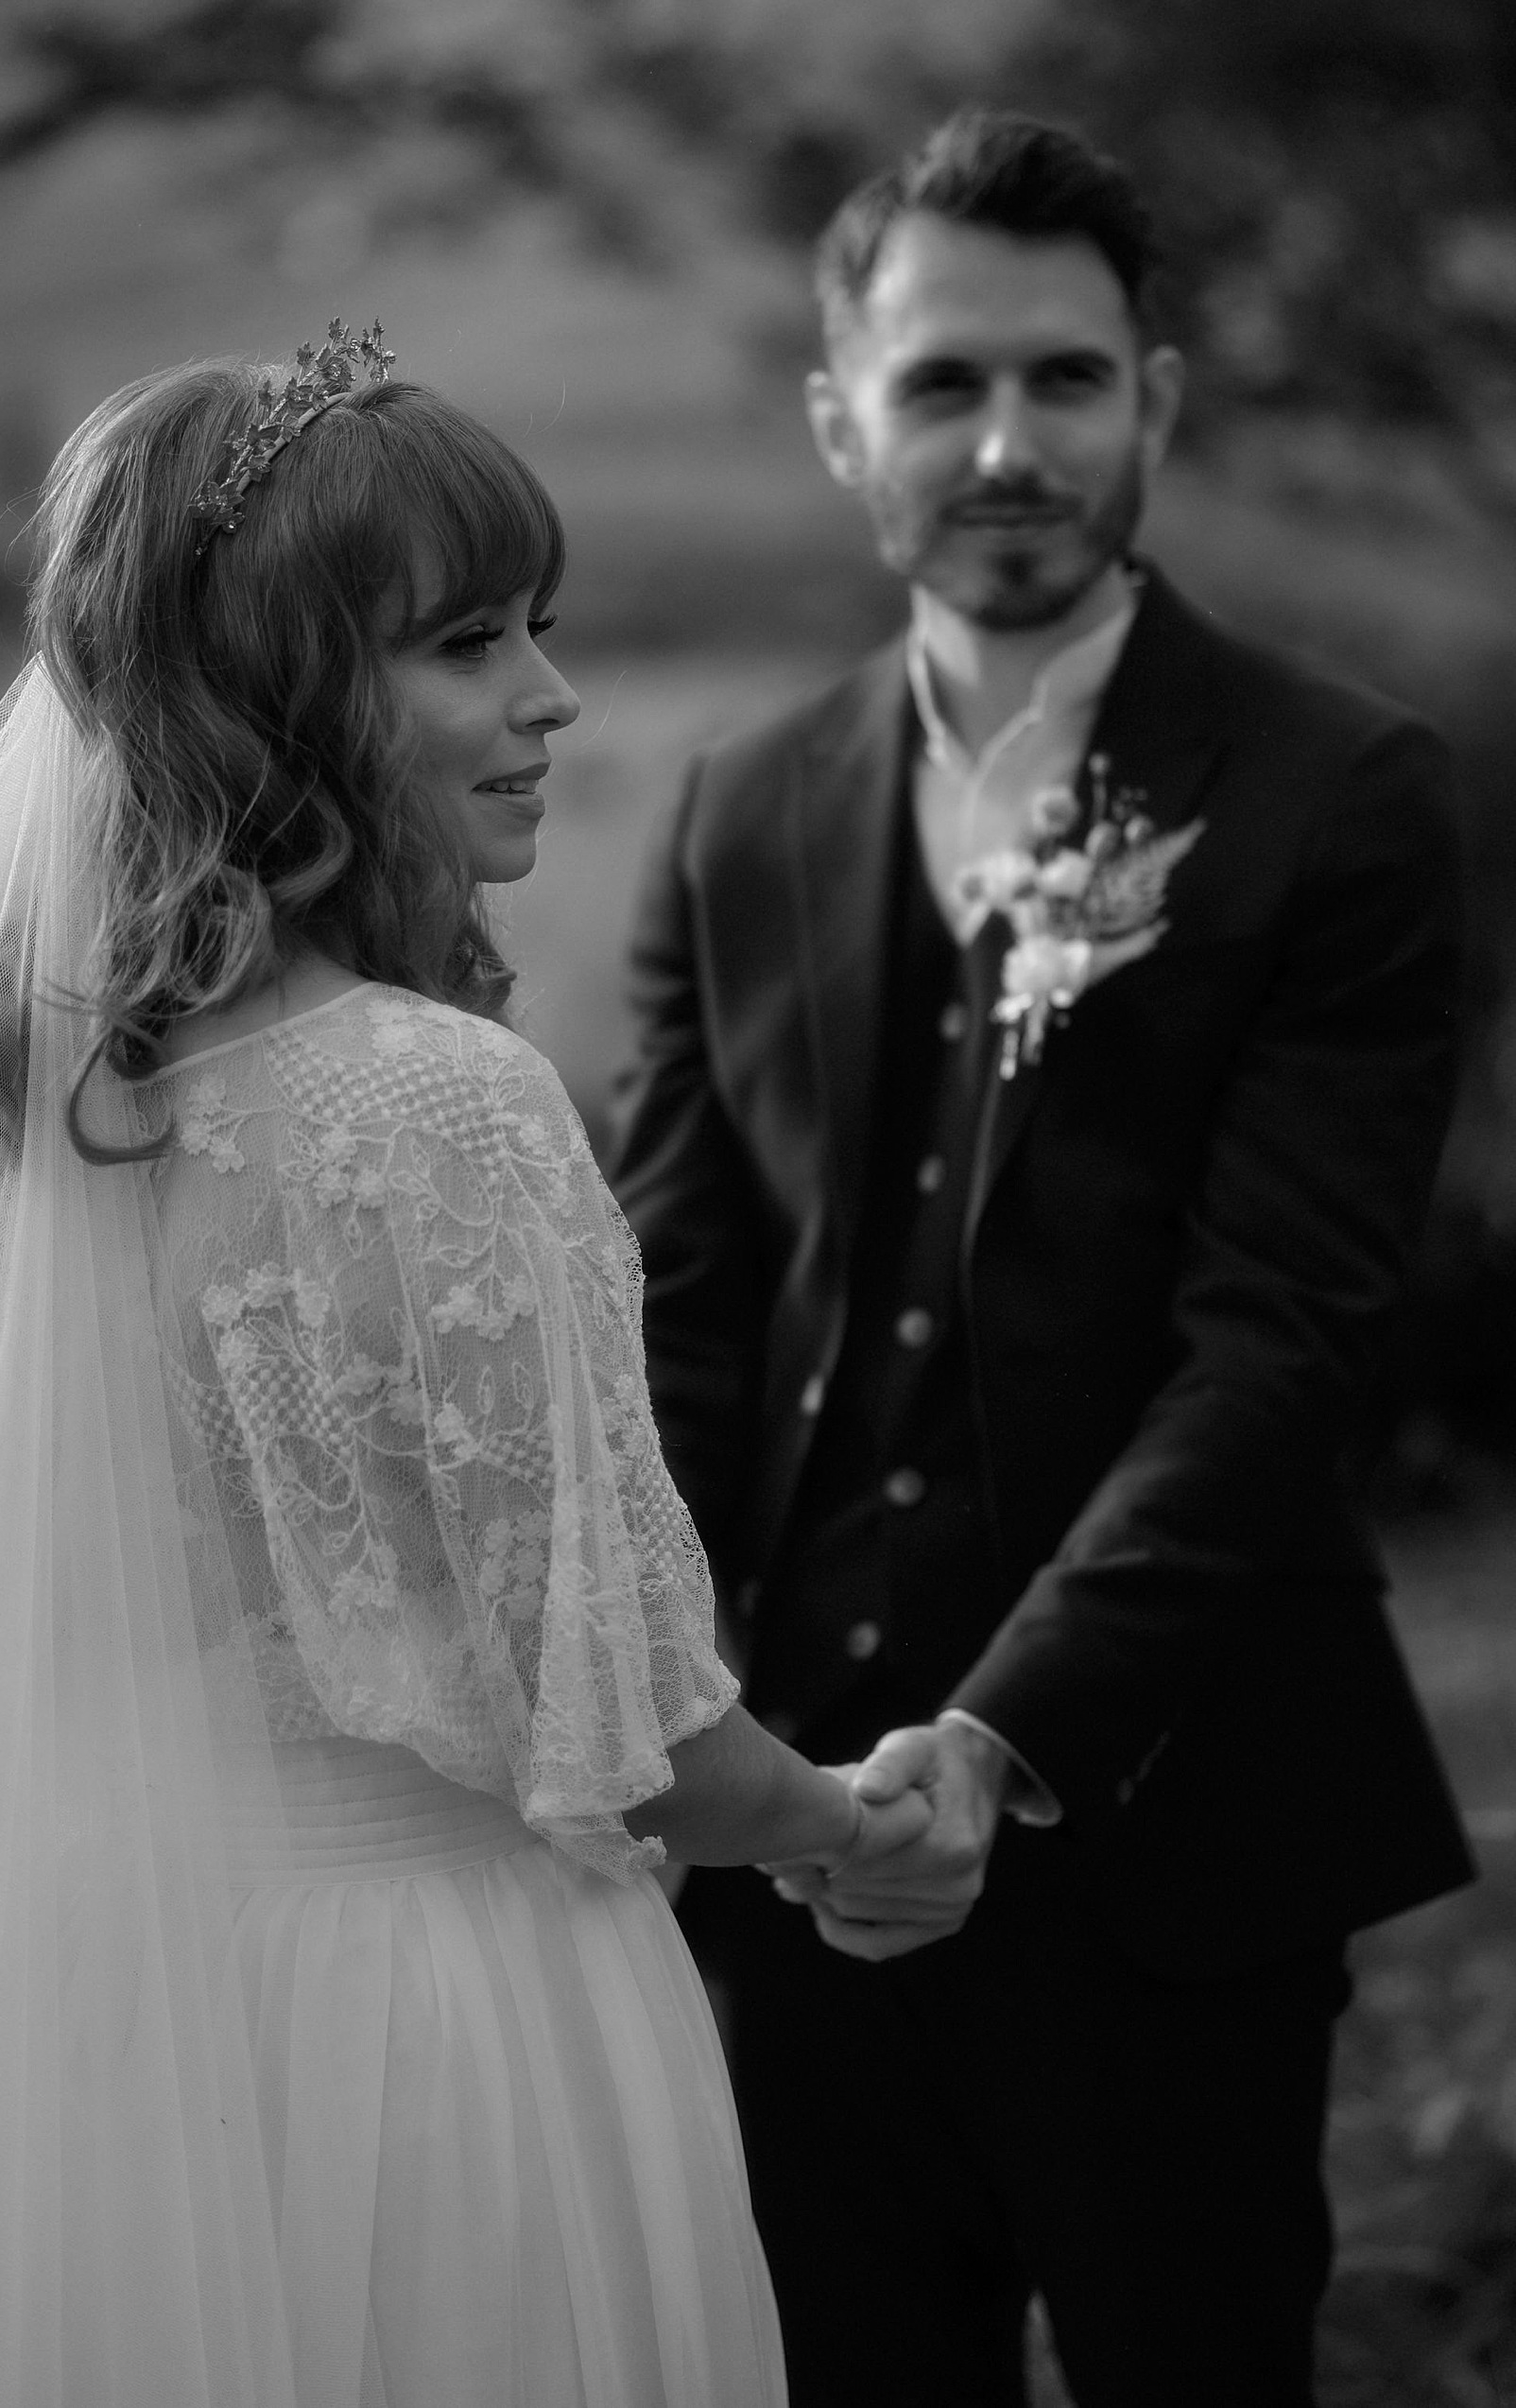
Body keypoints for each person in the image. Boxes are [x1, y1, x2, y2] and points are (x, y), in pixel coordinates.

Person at [0, 326, 936, 2407]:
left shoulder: (9, 1110)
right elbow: (632, 1728)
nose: (549, 698)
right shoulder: (431, 1105)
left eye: (538, 631)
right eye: (464, 643)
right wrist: (845, 1822)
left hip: (122, 2037)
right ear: (283, 694)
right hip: (428, 2033)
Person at [612, 111, 1476, 2408]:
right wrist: (694, 1733)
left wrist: (996, 1744)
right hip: (781, 1861)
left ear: (1157, 404)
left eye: (1067, 380)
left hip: (1173, 1839)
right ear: (837, 422)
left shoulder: (1339, 792)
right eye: (940, 383)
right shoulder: (731, 811)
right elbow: (672, 1318)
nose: (1008, 443)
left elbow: (1275, 1338)